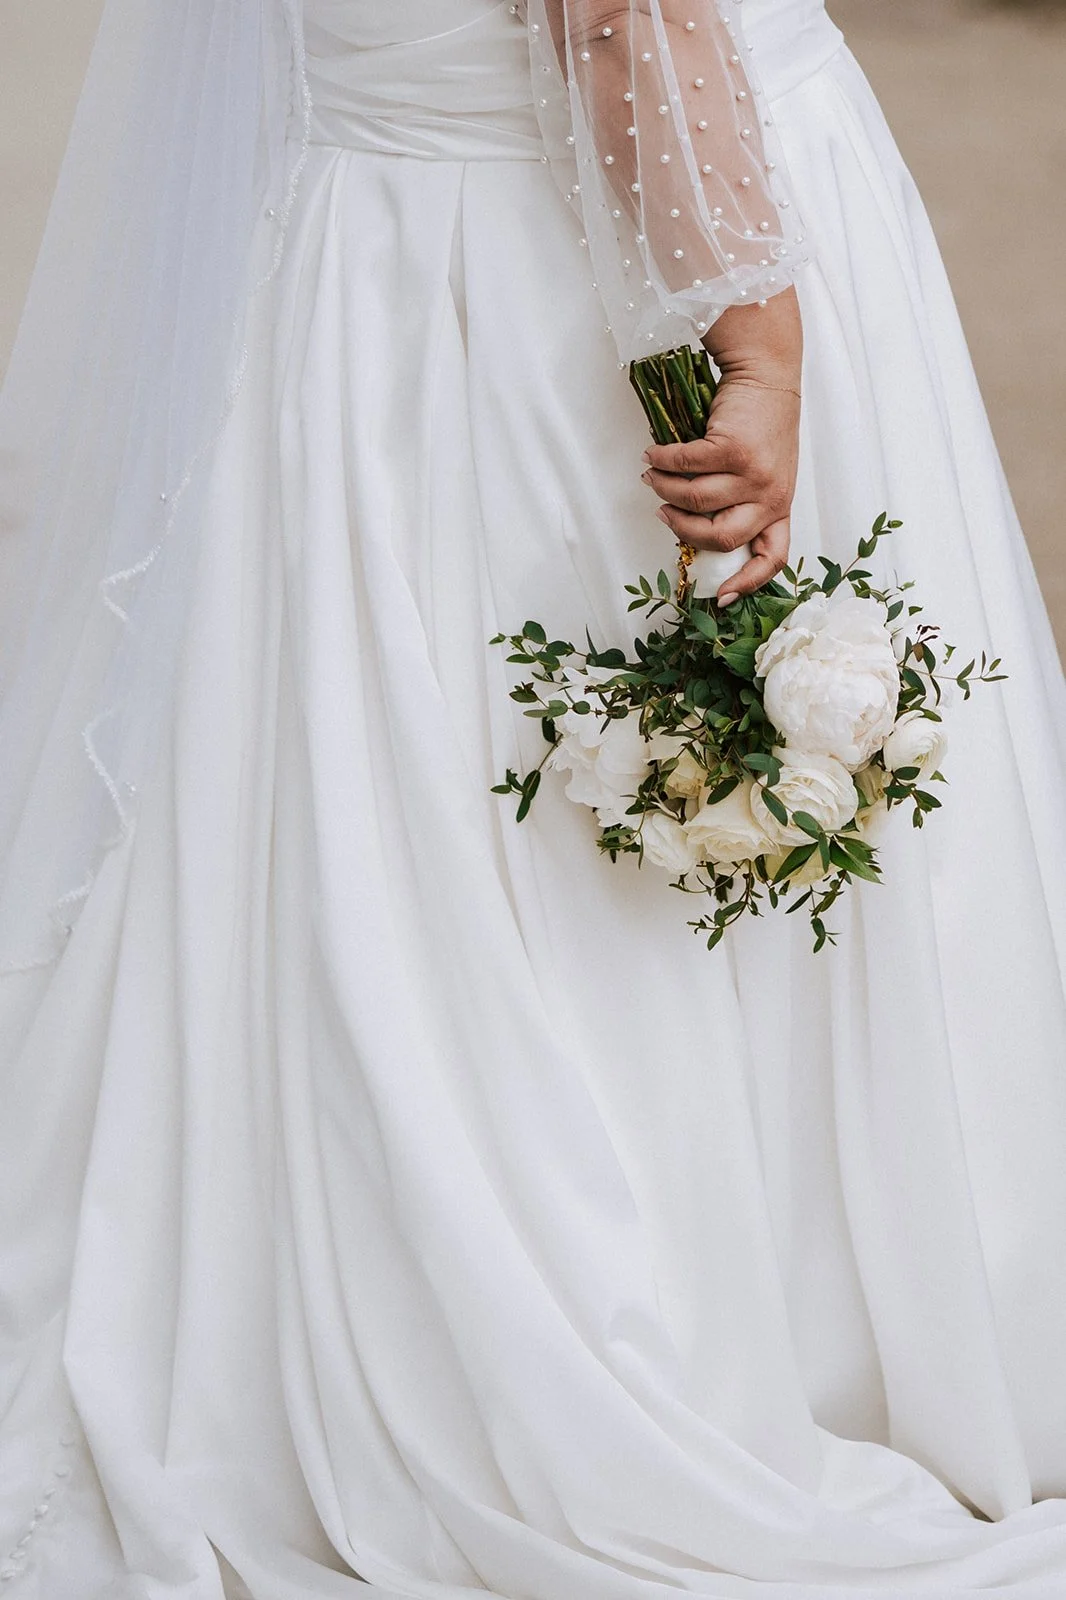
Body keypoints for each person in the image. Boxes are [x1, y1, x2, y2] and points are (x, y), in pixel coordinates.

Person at [2, 1, 1066, 1595]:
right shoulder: (699, 270)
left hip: (362, 251)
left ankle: (271, 1280)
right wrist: (761, 347)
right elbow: (625, 27)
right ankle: (767, 1312)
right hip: (577, 254)